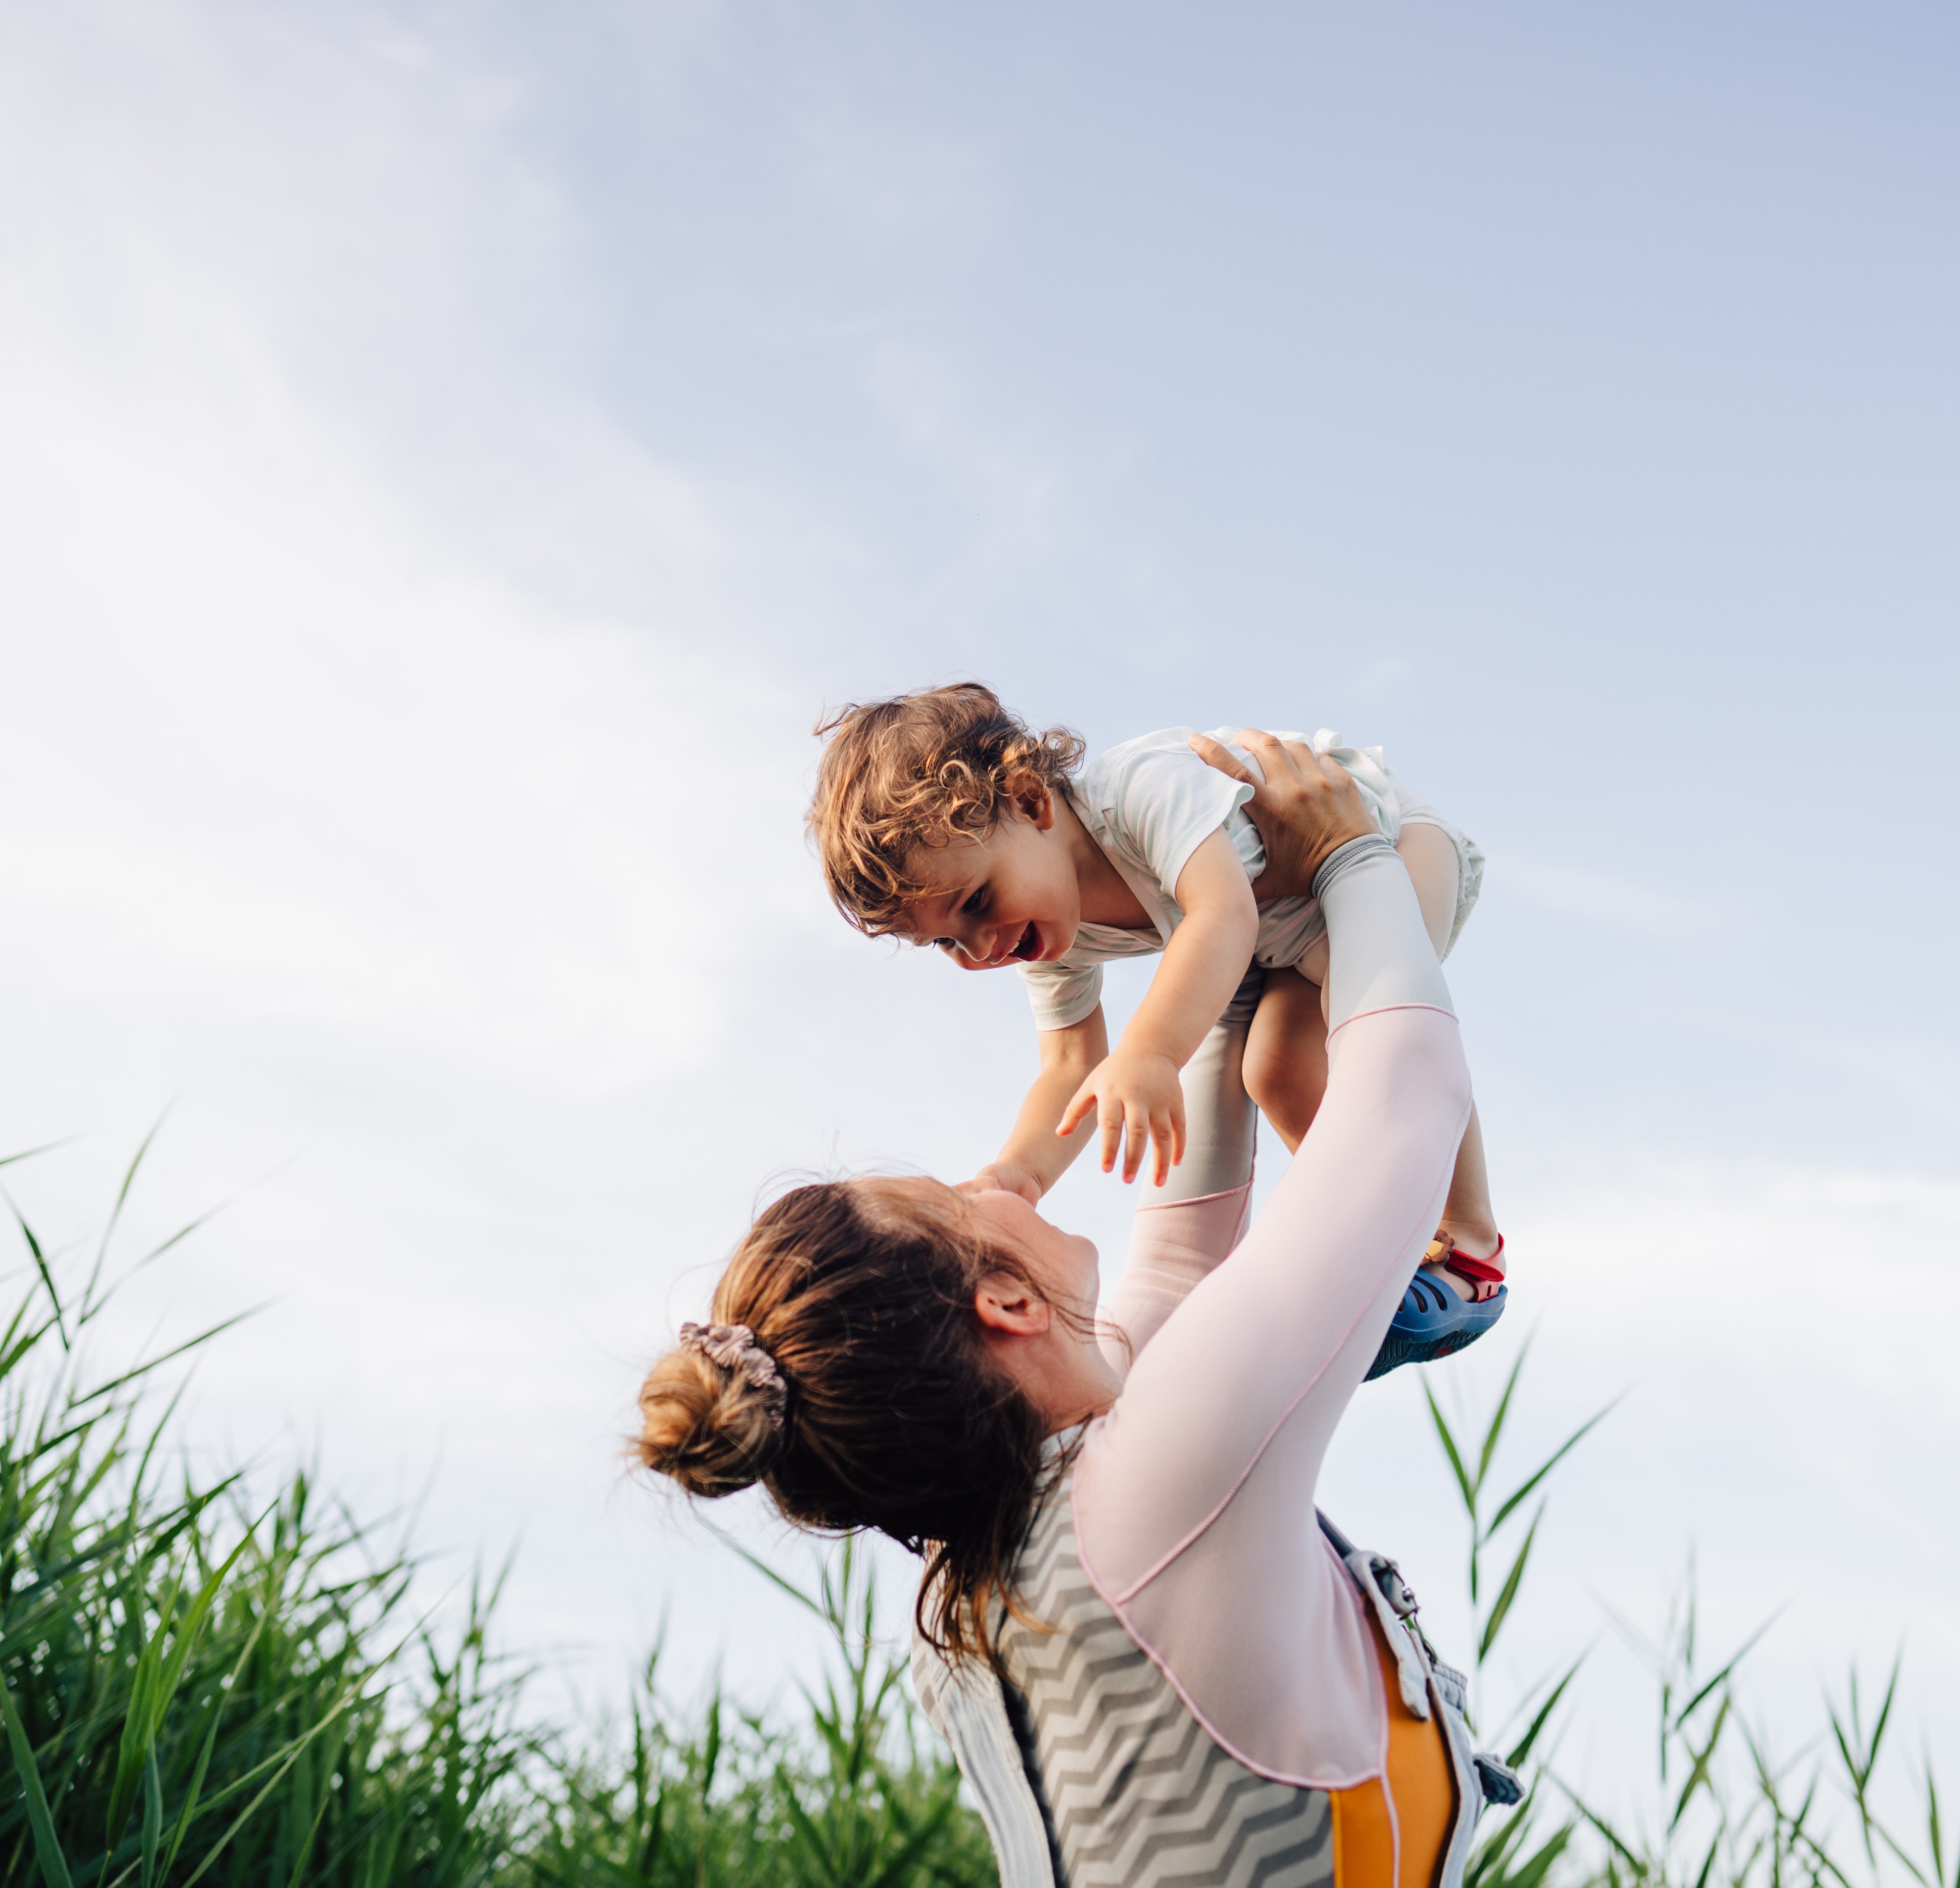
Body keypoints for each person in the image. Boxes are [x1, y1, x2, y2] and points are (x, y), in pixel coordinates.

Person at [637, 734, 1511, 1884]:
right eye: (958, 1197)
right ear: (1004, 1300)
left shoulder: (1002, 1560)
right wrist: (1352, 856)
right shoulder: (1153, 1491)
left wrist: (1229, 955)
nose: (994, 1181)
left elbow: (1184, 1246)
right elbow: (1404, 1103)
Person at [806, 684, 1504, 1376]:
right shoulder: (1046, 932)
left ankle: (1471, 1243)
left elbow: (1221, 913)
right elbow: (1070, 1063)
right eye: (946, 941)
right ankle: (1395, 1246)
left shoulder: (1139, 791)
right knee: (1276, 1070)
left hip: (1387, 841)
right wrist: (1018, 1173)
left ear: (1030, 801)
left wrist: (1152, 1052)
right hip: (1299, 932)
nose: (981, 947)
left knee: (1380, 1023)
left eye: (977, 902)